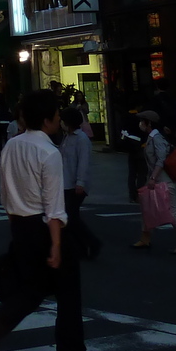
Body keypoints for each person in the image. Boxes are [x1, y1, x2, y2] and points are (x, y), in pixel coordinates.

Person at [0, 90, 96, 351]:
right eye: (55, 115)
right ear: (47, 119)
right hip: (45, 228)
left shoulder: (11, 146)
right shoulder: (49, 152)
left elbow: (5, 195)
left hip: (19, 224)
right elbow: (54, 206)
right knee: (68, 294)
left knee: (33, 288)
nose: (58, 120)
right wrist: (55, 244)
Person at [132, 111, 176, 255]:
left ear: (149, 123)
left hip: (162, 181)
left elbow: (161, 160)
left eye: (143, 121)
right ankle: (145, 238)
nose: (140, 124)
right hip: (155, 179)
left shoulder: (157, 138)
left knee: (172, 211)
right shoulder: (152, 138)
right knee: (146, 207)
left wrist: (153, 178)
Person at [59, 107, 100, 260]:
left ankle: (91, 242)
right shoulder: (67, 137)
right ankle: (83, 247)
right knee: (71, 217)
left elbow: (84, 162)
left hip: (75, 184)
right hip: (66, 182)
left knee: (71, 216)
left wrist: (80, 182)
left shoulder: (81, 139)